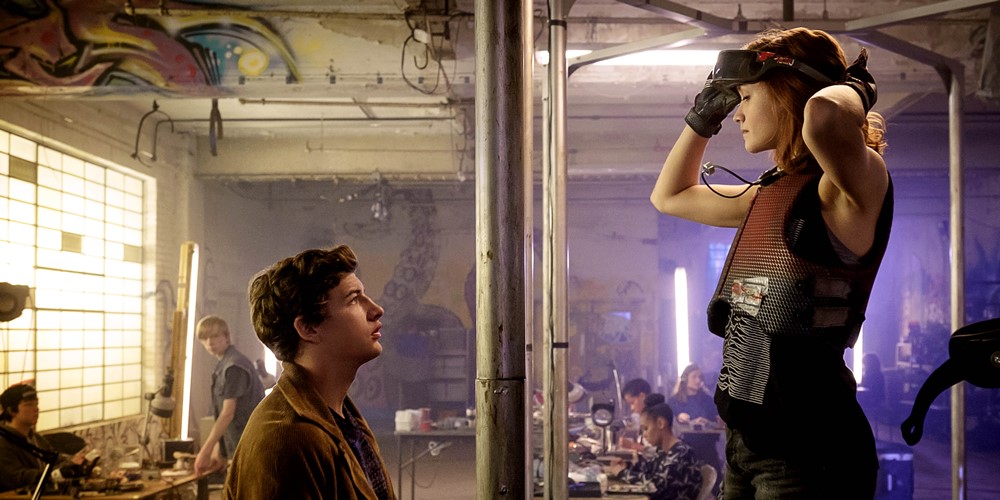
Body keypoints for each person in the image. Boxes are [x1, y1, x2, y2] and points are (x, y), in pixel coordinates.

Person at [650, 27, 892, 498]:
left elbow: (824, 117)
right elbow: (669, 196)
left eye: (746, 97)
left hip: (810, 452)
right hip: (746, 447)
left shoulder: (848, 188)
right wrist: (703, 117)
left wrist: (856, 88)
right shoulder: (772, 194)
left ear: (788, 93)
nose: (737, 113)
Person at [225, 245, 395, 500]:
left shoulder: (344, 418)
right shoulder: (285, 441)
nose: (376, 309)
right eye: (353, 299)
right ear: (309, 328)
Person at [194, 315, 266, 477]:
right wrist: (219, 450)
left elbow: (227, 413)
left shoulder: (234, 366)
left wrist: (205, 451)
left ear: (226, 337)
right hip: (236, 445)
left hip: (249, 444)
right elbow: (221, 414)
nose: (209, 342)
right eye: (204, 338)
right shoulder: (223, 365)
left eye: (214, 336)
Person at [604, 402, 703, 500]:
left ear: (660, 423)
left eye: (646, 428)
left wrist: (622, 473)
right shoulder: (662, 451)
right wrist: (626, 466)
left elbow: (656, 485)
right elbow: (647, 470)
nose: (644, 435)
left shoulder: (682, 453)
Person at [0, 384, 87, 492]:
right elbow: (16, 476)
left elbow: (55, 459)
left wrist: (72, 462)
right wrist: (55, 474)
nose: (36, 409)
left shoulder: (35, 438)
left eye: (36, 404)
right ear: (11, 411)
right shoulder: (3, 441)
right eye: (28, 405)